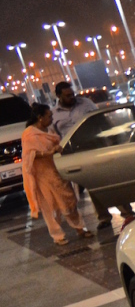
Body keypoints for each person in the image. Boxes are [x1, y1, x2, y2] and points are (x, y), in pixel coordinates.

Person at [51, 81, 134, 229]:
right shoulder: (54, 114)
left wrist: (111, 138)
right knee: (91, 184)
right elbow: (55, 136)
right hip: (76, 152)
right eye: (67, 96)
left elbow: (101, 120)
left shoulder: (86, 104)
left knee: (109, 180)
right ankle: (103, 217)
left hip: (95, 146)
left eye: (72, 94)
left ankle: (127, 212)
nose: (72, 97)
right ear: (58, 96)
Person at [21, 103, 92, 246]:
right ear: (40, 118)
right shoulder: (29, 134)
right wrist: (49, 152)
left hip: (56, 171)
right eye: (49, 116)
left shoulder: (49, 130)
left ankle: (80, 228)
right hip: (42, 175)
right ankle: (58, 236)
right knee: (50, 205)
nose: (52, 118)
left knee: (68, 200)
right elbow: (29, 155)